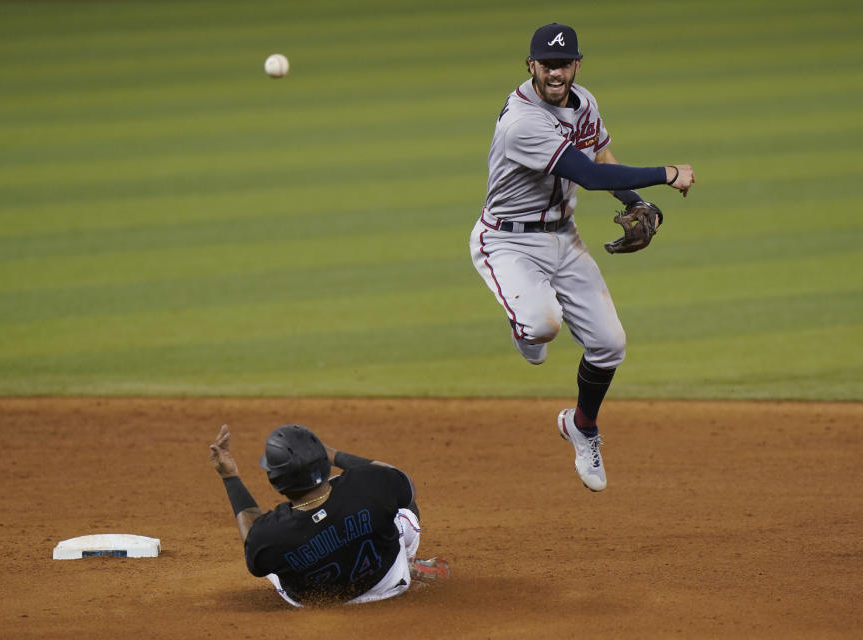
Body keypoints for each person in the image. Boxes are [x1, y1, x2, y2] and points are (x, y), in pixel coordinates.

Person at [468, 23, 696, 492]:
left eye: (564, 63)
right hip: (507, 242)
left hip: (564, 238)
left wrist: (632, 201)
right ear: (530, 65)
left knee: (610, 345)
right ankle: (525, 326)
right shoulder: (521, 121)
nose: (556, 72)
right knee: (542, 326)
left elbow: (603, 160)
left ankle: (582, 426)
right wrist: (666, 173)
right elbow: (588, 176)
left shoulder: (584, 102)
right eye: (547, 64)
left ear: (576, 64)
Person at [208, 423, 449, 606]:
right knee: (401, 510)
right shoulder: (369, 485)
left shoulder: (269, 533)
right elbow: (401, 480)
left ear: (275, 480)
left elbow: (252, 538)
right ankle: (409, 562)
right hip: (390, 582)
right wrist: (333, 454)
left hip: (312, 604)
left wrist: (230, 477)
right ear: (323, 463)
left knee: (267, 558)